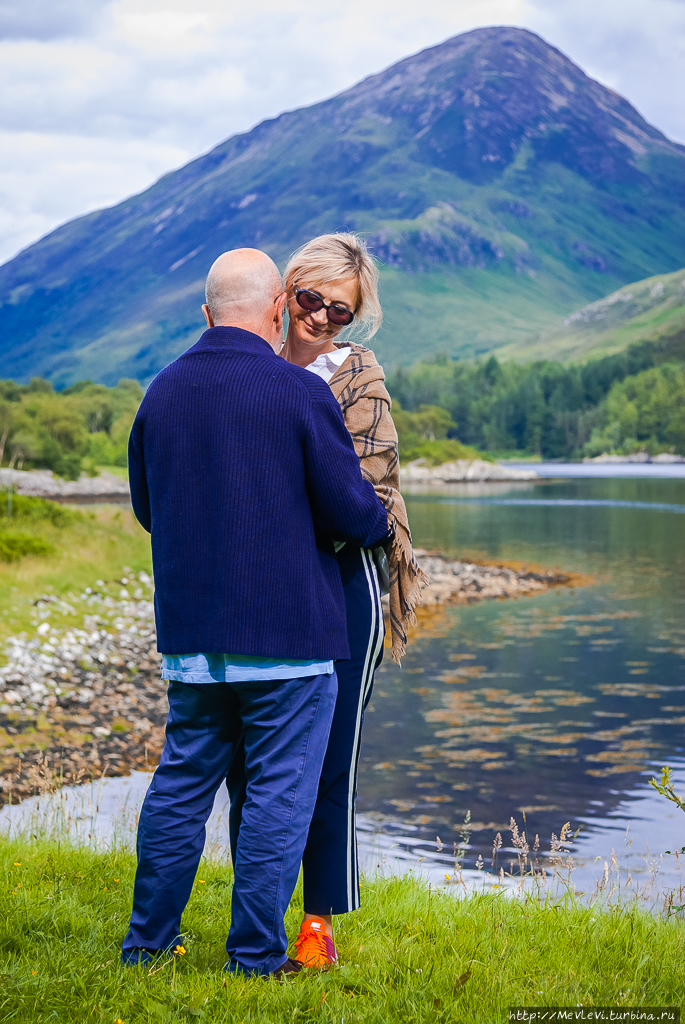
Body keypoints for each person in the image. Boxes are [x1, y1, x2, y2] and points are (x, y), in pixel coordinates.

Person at [121, 248, 389, 978]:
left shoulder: (160, 393)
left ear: (206, 314)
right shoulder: (297, 394)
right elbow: (354, 512)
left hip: (192, 641)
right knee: (277, 795)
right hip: (289, 645)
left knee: (180, 786)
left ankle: (147, 945)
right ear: (275, 310)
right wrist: (369, 524)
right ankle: (256, 955)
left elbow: (150, 511)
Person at [280, 232, 426, 967]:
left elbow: (374, 486)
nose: (322, 320)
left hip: (349, 580)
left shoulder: (357, 374)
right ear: (287, 290)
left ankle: (316, 925)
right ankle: (256, 909)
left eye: (340, 312)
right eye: (313, 301)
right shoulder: (252, 360)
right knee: (265, 756)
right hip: (270, 586)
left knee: (331, 758)